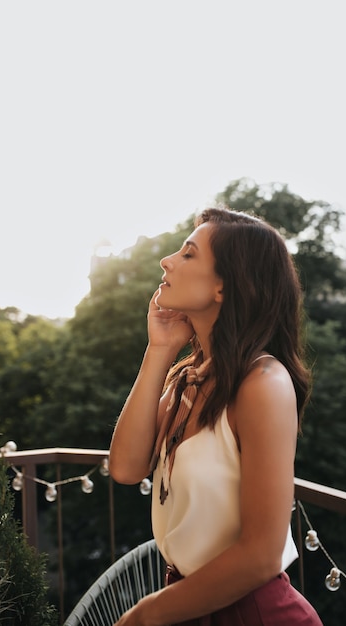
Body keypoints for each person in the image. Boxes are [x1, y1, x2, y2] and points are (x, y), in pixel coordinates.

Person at [109, 206, 323, 625]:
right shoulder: (187, 378)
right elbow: (126, 468)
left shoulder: (263, 383)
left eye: (188, 254)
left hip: (254, 613)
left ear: (224, 287)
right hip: (189, 604)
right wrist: (159, 350)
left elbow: (262, 556)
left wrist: (143, 615)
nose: (166, 261)